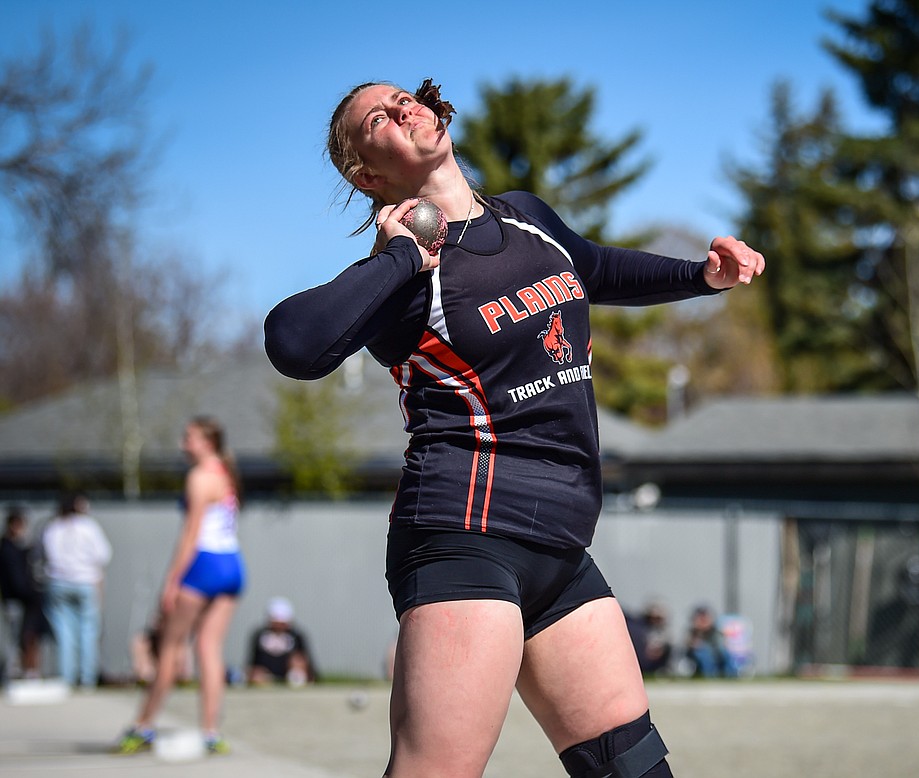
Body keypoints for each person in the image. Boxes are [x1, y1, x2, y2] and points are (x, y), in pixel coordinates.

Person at [264, 78, 764, 778]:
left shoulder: (526, 216)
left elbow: (595, 268)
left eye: (407, 95)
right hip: (466, 539)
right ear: (367, 173)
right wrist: (402, 256)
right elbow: (294, 343)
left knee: (633, 768)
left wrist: (701, 276)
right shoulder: (402, 272)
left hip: (559, 547)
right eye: (379, 114)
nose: (405, 107)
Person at [116, 417, 246, 756]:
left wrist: (171, 581)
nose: (182, 443)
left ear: (207, 441)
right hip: (231, 563)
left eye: (188, 437)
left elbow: (191, 534)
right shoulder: (226, 472)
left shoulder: (199, 476)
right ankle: (211, 732)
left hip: (203, 564)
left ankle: (143, 725)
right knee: (209, 648)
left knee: (170, 648)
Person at [41, 492, 112, 689]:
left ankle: (67, 677)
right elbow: (103, 555)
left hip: (58, 582)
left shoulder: (52, 528)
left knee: (64, 632)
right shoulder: (88, 526)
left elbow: (45, 555)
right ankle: (87, 678)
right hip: (85, 581)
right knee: (88, 630)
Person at [1, 506, 51, 679]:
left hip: (26, 600)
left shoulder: (21, 549)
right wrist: (29, 592)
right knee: (16, 638)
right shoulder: (7, 549)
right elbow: (16, 579)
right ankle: (13, 672)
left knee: (29, 636)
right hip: (15, 599)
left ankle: (27, 671)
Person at [246, 596, 316, 687]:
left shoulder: (296, 636)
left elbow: (306, 658)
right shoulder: (260, 636)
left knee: (298, 660)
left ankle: (295, 679)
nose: (279, 626)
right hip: (266, 674)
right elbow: (253, 661)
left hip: (289, 672)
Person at [684, 605, 732, 678]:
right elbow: (688, 645)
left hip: (716, 656)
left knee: (726, 654)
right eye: (700, 618)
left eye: (705, 618)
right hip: (698, 659)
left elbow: (720, 646)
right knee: (702, 653)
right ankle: (708, 676)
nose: (703, 620)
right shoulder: (692, 632)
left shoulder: (715, 631)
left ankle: (728, 675)